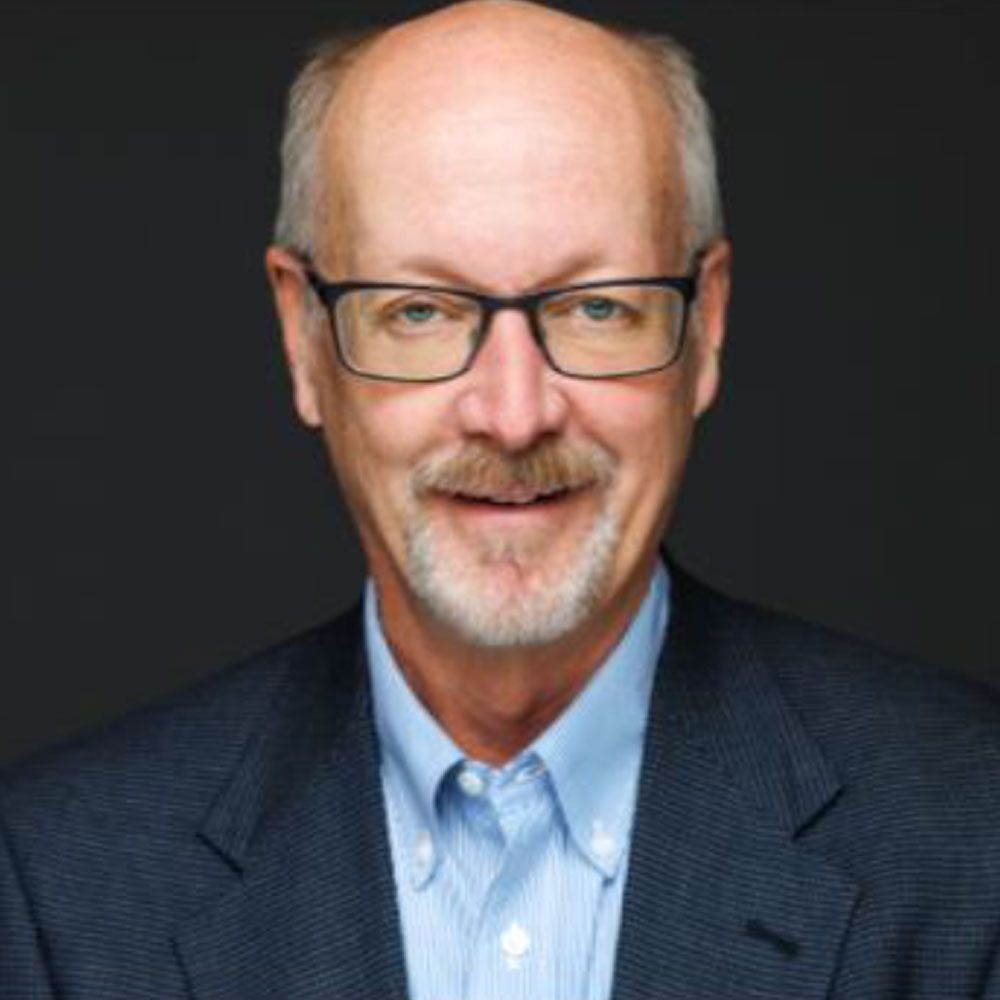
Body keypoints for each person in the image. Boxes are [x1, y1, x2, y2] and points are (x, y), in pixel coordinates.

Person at [3, 2, 1000, 997]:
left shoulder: (972, 838)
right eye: (422, 312)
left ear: (708, 329)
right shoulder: (53, 891)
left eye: (597, 306)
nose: (513, 415)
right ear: (303, 340)